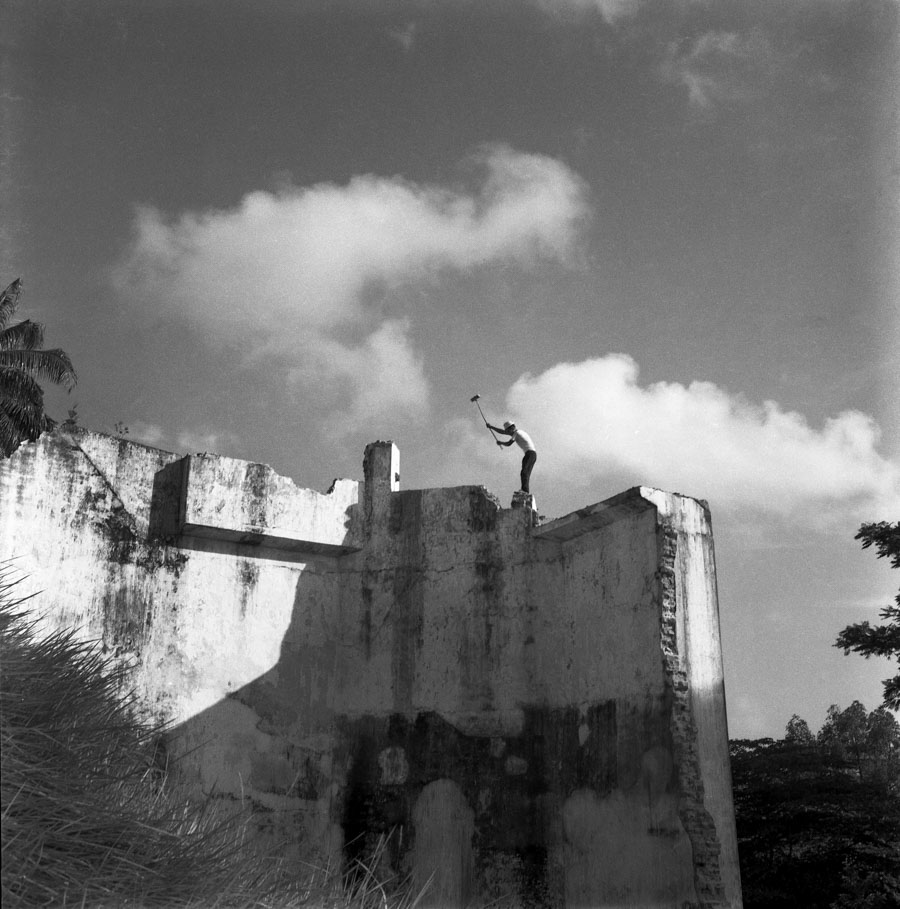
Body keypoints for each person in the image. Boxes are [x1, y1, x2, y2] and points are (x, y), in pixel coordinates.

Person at [488, 420, 537, 493]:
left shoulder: (516, 433)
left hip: (530, 454)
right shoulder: (519, 432)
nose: (507, 433)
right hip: (531, 454)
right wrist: (491, 427)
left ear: (511, 428)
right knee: (525, 472)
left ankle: (525, 491)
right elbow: (503, 432)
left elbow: (509, 443)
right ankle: (525, 490)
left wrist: (501, 442)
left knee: (524, 472)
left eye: (508, 431)